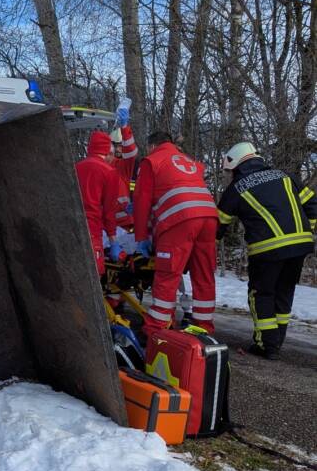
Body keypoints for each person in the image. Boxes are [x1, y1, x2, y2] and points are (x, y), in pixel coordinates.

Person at [217, 142, 316, 359]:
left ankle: (266, 345)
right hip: (300, 246)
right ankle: (276, 340)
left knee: (260, 293)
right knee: (283, 292)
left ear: (237, 166)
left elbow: (218, 225)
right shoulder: (285, 176)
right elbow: (312, 204)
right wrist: (307, 230)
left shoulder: (237, 188)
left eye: (230, 172)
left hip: (267, 249)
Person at [133, 130, 218, 335]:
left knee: (168, 274)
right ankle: (203, 326)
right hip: (209, 215)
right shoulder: (190, 161)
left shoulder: (152, 161)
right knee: (204, 274)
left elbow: (142, 201)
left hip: (180, 218)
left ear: (152, 146)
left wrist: (142, 237)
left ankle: (157, 327)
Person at [75, 130, 120, 276]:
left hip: (73, 227)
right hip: (92, 229)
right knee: (94, 273)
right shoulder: (109, 172)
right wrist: (113, 240)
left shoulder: (76, 167)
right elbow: (109, 211)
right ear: (108, 152)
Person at [109, 97, 138, 231]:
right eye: (117, 146)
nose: (120, 149)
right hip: (105, 225)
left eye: (122, 146)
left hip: (125, 224)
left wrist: (124, 128)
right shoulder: (100, 166)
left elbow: (131, 152)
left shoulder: (120, 166)